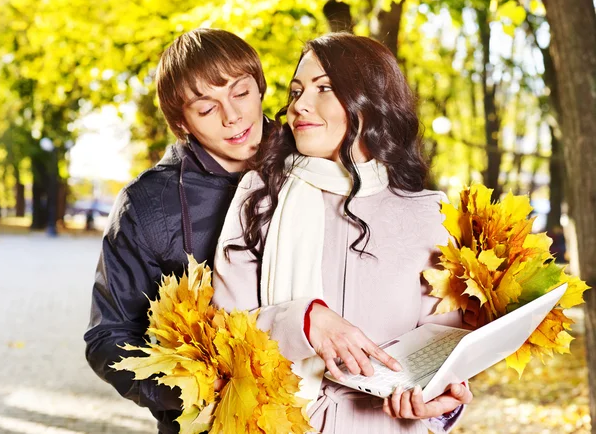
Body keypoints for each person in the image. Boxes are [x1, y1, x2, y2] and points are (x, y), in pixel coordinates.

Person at [212, 32, 474, 433]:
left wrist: (436, 405)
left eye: (324, 88)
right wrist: (304, 320)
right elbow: (224, 335)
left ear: (370, 102)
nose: (300, 104)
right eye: (296, 90)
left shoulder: (431, 215)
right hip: (281, 423)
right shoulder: (259, 197)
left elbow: (444, 352)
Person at [84, 28, 271, 434]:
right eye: (206, 109)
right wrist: (193, 390)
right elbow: (108, 336)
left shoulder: (312, 157)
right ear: (181, 122)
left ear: (260, 88)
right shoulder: (147, 204)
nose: (232, 116)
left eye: (241, 93)